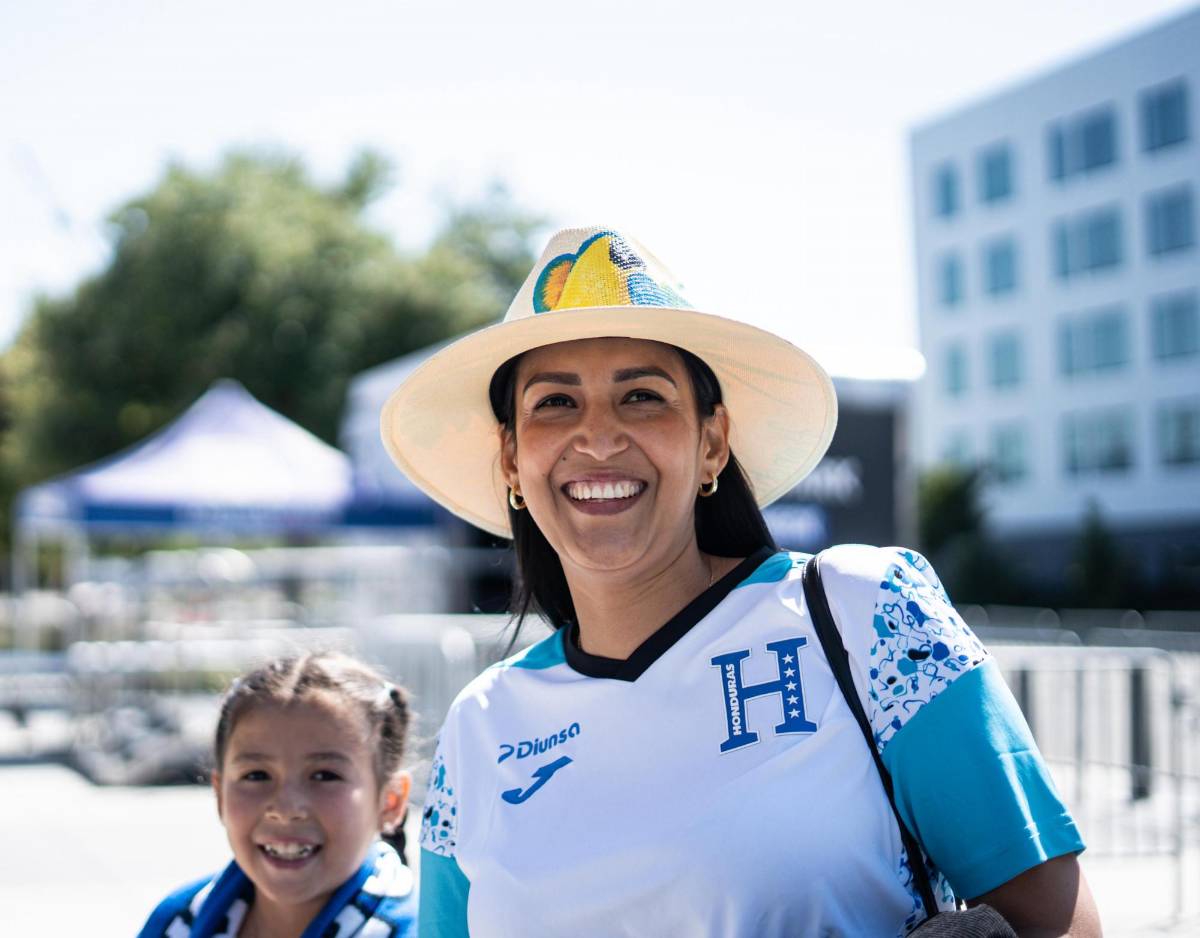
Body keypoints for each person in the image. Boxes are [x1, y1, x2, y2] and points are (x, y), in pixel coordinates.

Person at [381, 226, 1101, 936]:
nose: (597, 437)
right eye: (555, 403)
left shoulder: (865, 613)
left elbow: (1059, 925)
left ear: (712, 442)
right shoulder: (480, 728)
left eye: (642, 397)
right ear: (511, 459)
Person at [138, 652, 418, 938]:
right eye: (256, 775)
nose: (286, 808)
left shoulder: (426, 930)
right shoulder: (176, 922)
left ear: (390, 801)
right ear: (220, 794)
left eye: (324, 776)